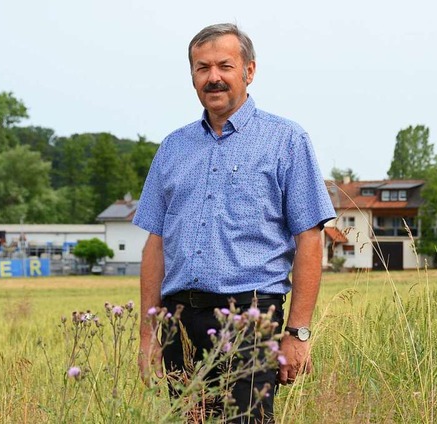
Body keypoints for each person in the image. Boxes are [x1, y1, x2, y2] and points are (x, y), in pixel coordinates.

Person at [133, 23, 335, 423]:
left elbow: (310, 240)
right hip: (178, 322)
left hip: (248, 318)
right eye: (201, 67)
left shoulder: (287, 140)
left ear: (249, 71)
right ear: (191, 75)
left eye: (224, 65)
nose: (213, 77)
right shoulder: (173, 147)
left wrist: (298, 333)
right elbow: (155, 243)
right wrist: (148, 337)